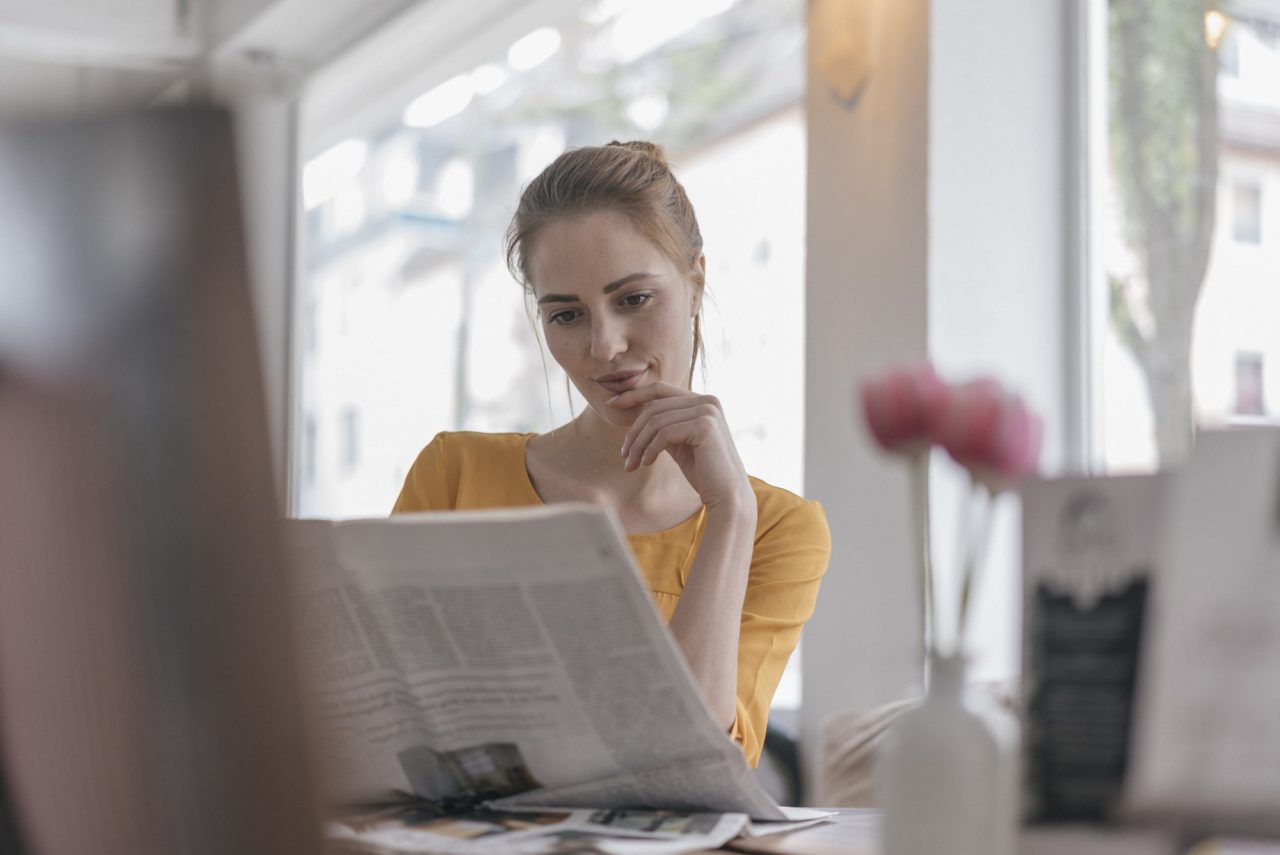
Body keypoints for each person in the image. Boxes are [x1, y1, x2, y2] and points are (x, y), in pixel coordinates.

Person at [392, 141, 830, 767]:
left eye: (633, 299)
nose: (604, 347)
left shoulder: (778, 530)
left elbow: (697, 759)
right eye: (566, 315)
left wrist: (729, 511)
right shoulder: (454, 476)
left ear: (697, 281)